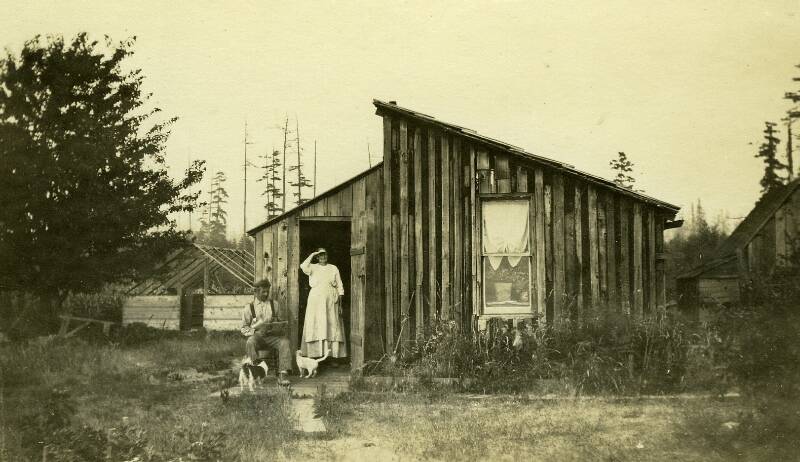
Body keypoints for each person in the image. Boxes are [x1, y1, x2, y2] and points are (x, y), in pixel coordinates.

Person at [241, 279, 291, 386]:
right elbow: (244, 328)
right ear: (256, 292)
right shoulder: (248, 308)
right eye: (263, 291)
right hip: (258, 337)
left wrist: (278, 327)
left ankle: (283, 375)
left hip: (272, 337)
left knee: (285, 342)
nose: (266, 294)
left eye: (267, 291)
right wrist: (254, 330)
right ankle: (255, 371)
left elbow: (281, 322)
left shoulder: (275, 305)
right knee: (250, 342)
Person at [300, 248, 347, 360]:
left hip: (331, 300)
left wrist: (340, 305)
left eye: (324, 255)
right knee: (317, 324)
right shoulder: (312, 267)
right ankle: (315, 354)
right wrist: (313, 254)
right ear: (317, 257)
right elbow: (303, 266)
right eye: (320, 255)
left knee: (331, 325)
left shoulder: (333, 268)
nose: (323, 257)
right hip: (316, 300)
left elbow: (340, 286)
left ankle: (332, 356)